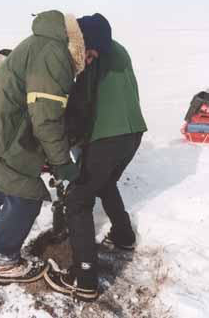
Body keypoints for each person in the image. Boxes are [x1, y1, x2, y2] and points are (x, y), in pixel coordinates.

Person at [0, 10, 112, 285]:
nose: (90, 61)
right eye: (92, 53)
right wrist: (62, 162)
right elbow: (47, 118)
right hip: (4, 133)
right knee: (26, 193)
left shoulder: (48, 44)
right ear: (84, 42)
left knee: (14, 175)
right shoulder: (56, 56)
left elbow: (42, 111)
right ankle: (5, 261)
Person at [44, 35, 147, 301]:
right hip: (133, 133)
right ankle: (124, 235)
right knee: (103, 182)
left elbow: (79, 105)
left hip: (108, 138)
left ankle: (84, 278)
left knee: (78, 200)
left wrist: (60, 144)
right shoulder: (118, 49)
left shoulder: (91, 60)